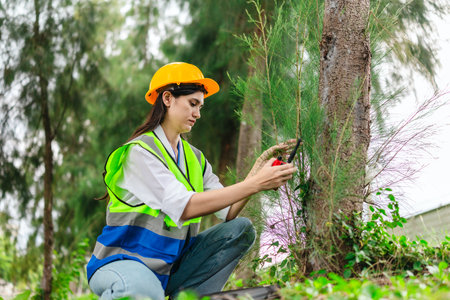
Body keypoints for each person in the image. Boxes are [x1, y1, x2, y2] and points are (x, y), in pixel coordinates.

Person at [86, 62, 297, 300]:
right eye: (192, 104)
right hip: (124, 262)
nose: (198, 113)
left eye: (200, 106)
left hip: (170, 268)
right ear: (167, 98)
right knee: (142, 292)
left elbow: (228, 213)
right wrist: (256, 183)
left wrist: (256, 172)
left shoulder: (194, 158)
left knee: (240, 230)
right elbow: (185, 207)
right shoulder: (139, 153)